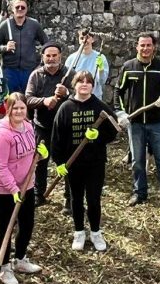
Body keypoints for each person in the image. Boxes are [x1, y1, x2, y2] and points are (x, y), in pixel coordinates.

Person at [50, 72, 127, 251]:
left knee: (93, 199)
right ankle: (79, 232)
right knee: (76, 199)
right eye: (80, 81)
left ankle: (95, 232)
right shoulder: (65, 108)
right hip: (73, 164)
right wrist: (59, 162)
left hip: (95, 163)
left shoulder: (100, 107)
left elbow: (114, 130)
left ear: (93, 86)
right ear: (74, 85)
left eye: (88, 82)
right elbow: (57, 138)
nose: (84, 84)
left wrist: (99, 136)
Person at [115, 33, 160, 214]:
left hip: (157, 123)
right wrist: (121, 113)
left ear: (154, 47)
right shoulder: (128, 67)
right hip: (135, 123)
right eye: (142, 45)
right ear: (136, 47)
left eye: (148, 45)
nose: (145, 48)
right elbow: (118, 92)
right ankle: (140, 193)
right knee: (138, 161)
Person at [0, 92, 44, 284]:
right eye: (15, 108)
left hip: (26, 185)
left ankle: (20, 259)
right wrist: (13, 189)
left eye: (22, 107)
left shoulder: (28, 126)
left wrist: (40, 154)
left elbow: (29, 154)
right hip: (5, 189)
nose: (19, 111)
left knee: (27, 224)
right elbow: (1, 167)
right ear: (8, 109)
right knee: (6, 227)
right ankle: (4, 267)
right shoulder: (1, 135)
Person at [25, 41, 74, 202]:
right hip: (42, 126)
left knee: (68, 163)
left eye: (55, 56)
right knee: (40, 161)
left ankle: (69, 197)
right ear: (43, 57)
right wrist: (44, 101)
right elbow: (28, 99)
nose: (51, 59)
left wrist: (67, 92)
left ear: (60, 56)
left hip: (65, 127)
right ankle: (39, 194)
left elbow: (80, 97)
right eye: (48, 56)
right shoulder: (36, 75)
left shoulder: (70, 74)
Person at [0, 0, 48, 98]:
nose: (20, 9)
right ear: (12, 9)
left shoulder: (34, 25)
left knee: (29, 99)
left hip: (29, 70)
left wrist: (41, 63)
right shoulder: (5, 25)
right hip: (9, 71)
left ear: (27, 9)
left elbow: (47, 44)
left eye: (23, 7)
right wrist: (5, 48)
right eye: (17, 7)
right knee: (10, 100)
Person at [64, 28, 110, 99]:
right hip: (76, 97)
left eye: (87, 38)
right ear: (79, 40)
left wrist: (101, 69)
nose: (84, 40)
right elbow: (67, 81)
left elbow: (102, 81)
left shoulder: (100, 57)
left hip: (95, 97)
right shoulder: (72, 58)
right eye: (82, 38)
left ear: (92, 39)